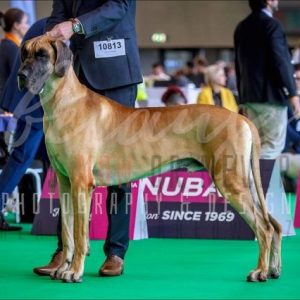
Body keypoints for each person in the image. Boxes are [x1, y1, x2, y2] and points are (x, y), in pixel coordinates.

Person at [40, 0, 142, 277]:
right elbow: (57, 16)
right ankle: (66, 250)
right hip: (72, 77)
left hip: (116, 71)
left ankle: (116, 252)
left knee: (120, 167)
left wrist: (75, 26)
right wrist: (52, 35)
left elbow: (118, 7)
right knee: (66, 166)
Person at [234, 0, 300, 160]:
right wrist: (293, 94)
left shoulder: (241, 27)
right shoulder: (272, 25)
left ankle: (256, 184)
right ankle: (255, 184)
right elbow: (281, 61)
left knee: (255, 146)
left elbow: (238, 65)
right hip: (272, 101)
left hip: (250, 99)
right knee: (270, 149)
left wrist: (242, 98)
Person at [0, 8, 29, 99]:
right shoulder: (11, 48)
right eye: (26, 22)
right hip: (6, 104)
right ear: (16, 25)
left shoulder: (6, 44)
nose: (28, 26)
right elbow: (20, 80)